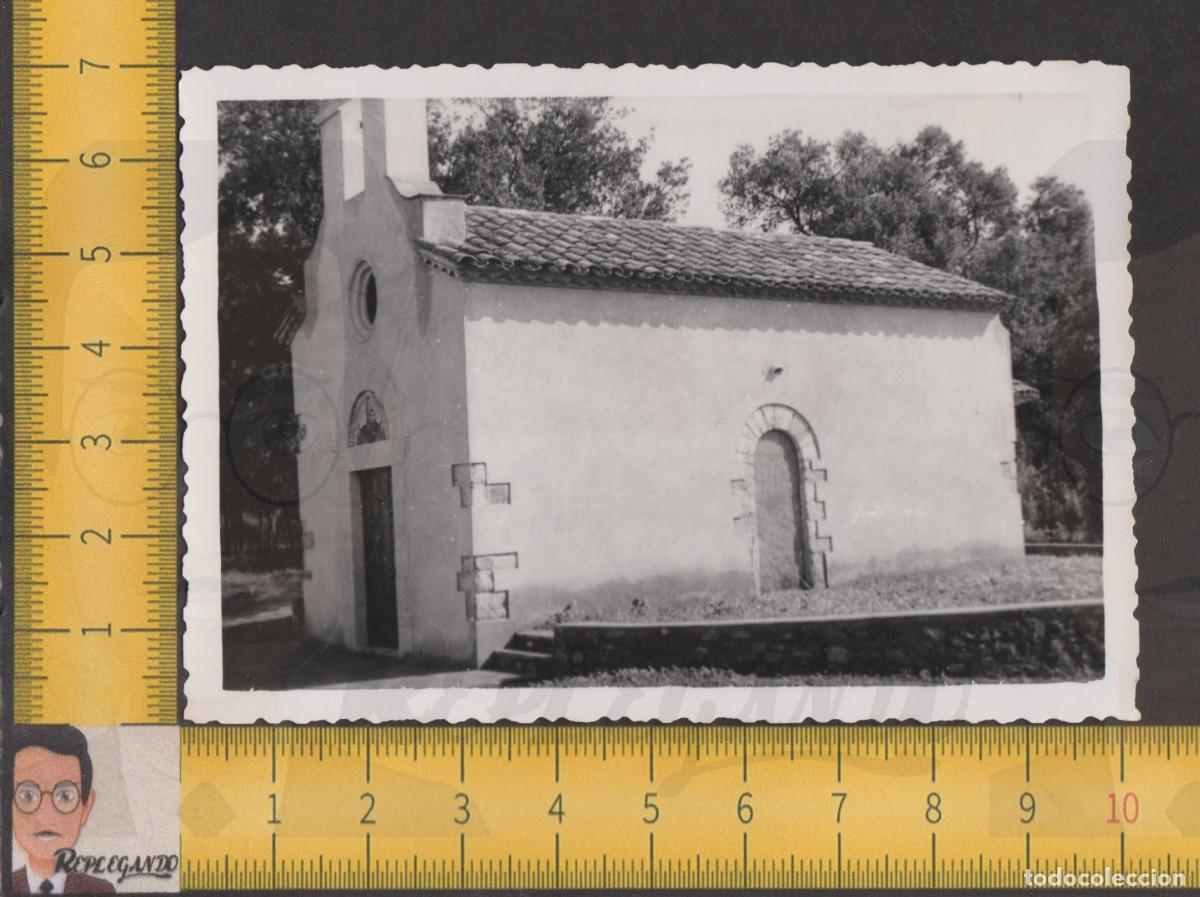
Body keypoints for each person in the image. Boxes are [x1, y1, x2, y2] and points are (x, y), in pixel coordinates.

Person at [11, 725, 115, 894]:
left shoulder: (101, 891)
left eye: (65, 796)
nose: (46, 816)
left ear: (86, 808)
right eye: (28, 796)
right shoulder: (5, 886)